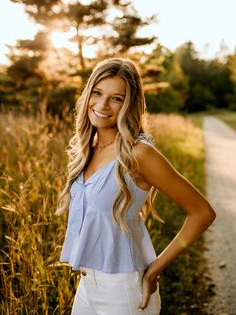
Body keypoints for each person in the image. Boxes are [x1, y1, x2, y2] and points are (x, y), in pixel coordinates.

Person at [55, 57, 216, 314]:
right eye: (97, 93)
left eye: (116, 98)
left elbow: (202, 212)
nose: (103, 105)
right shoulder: (88, 148)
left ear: (129, 104)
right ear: (88, 95)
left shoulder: (139, 154)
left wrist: (155, 268)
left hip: (124, 289)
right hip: (86, 285)